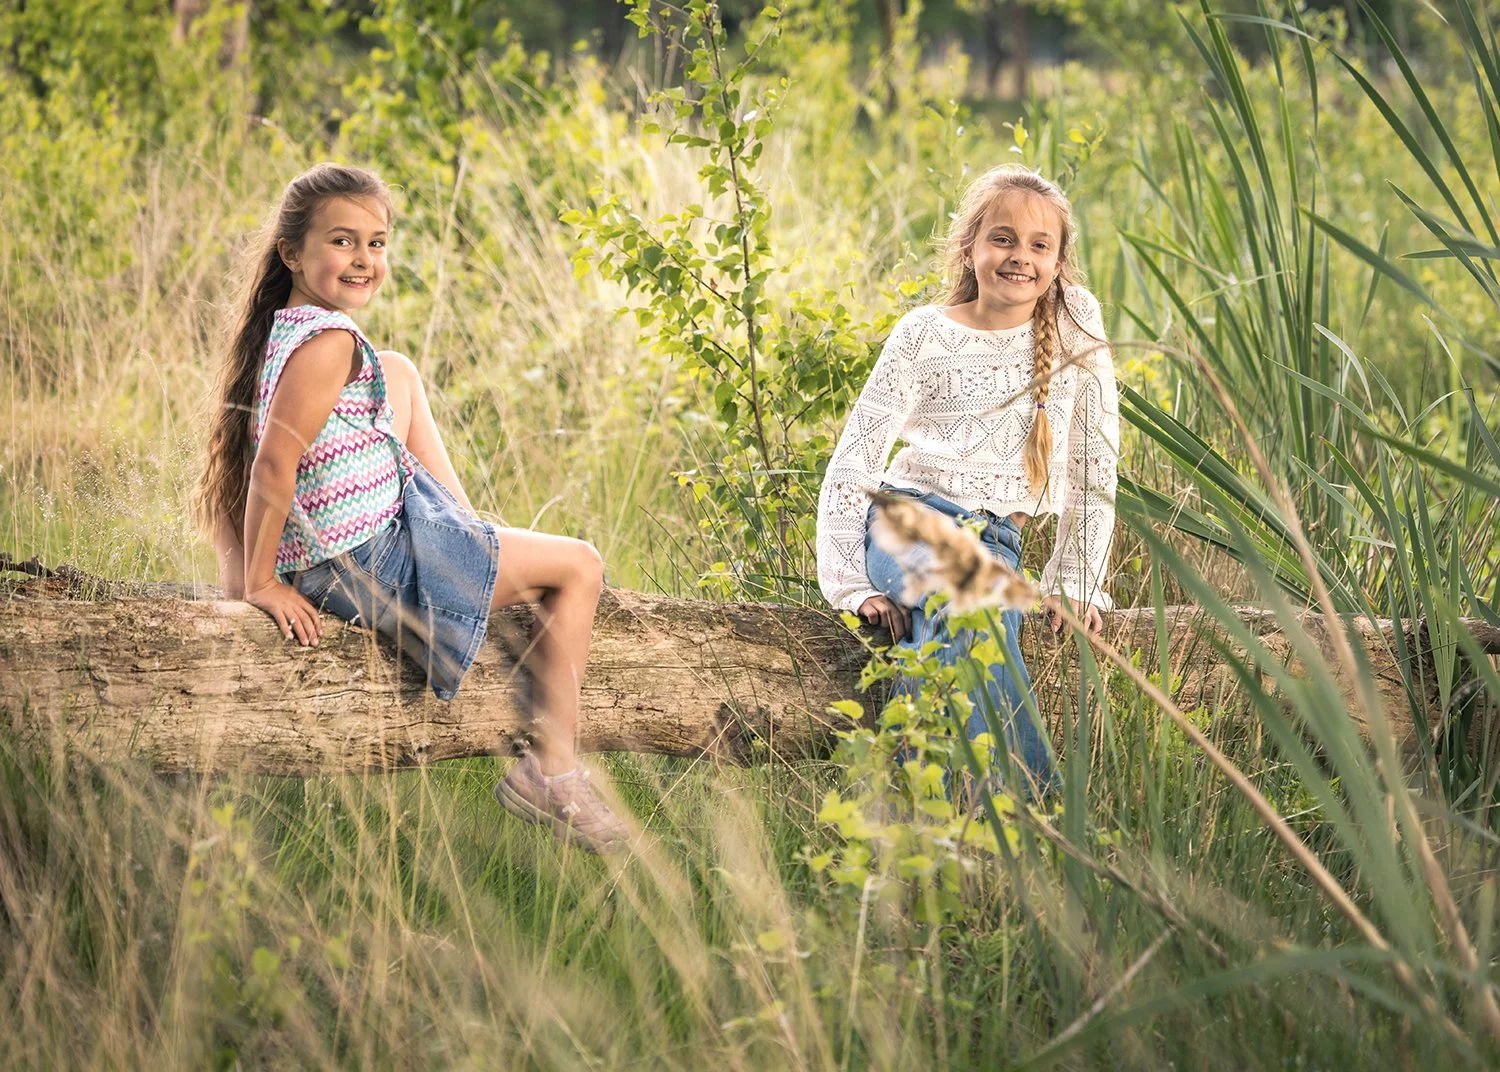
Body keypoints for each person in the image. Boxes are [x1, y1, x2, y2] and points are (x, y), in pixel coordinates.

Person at [195, 163, 629, 853]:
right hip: (363, 563)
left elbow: (267, 458)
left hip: (340, 547)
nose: (364, 259)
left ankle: (468, 536)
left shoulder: (294, 328)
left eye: (377, 242)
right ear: (292, 253)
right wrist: (257, 584)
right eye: (343, 242)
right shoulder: (329, 344)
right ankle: (551, 771)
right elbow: (273, 466)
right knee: (580, 565)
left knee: (397, 369)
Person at [815, 164, 1120, 796]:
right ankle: (1032, 815)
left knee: (980, 615)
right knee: (975, 603)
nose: (1020, 257)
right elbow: (855, 462)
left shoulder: (1075, 324)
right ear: (970, 246)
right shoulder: (924, 334)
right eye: (1003, 238)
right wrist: (848, 583)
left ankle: (928, 818)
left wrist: (1075, 580)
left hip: (995, 541)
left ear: (1060, 262)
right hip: (908, 521)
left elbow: (1094, 464)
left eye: (1041, 245)